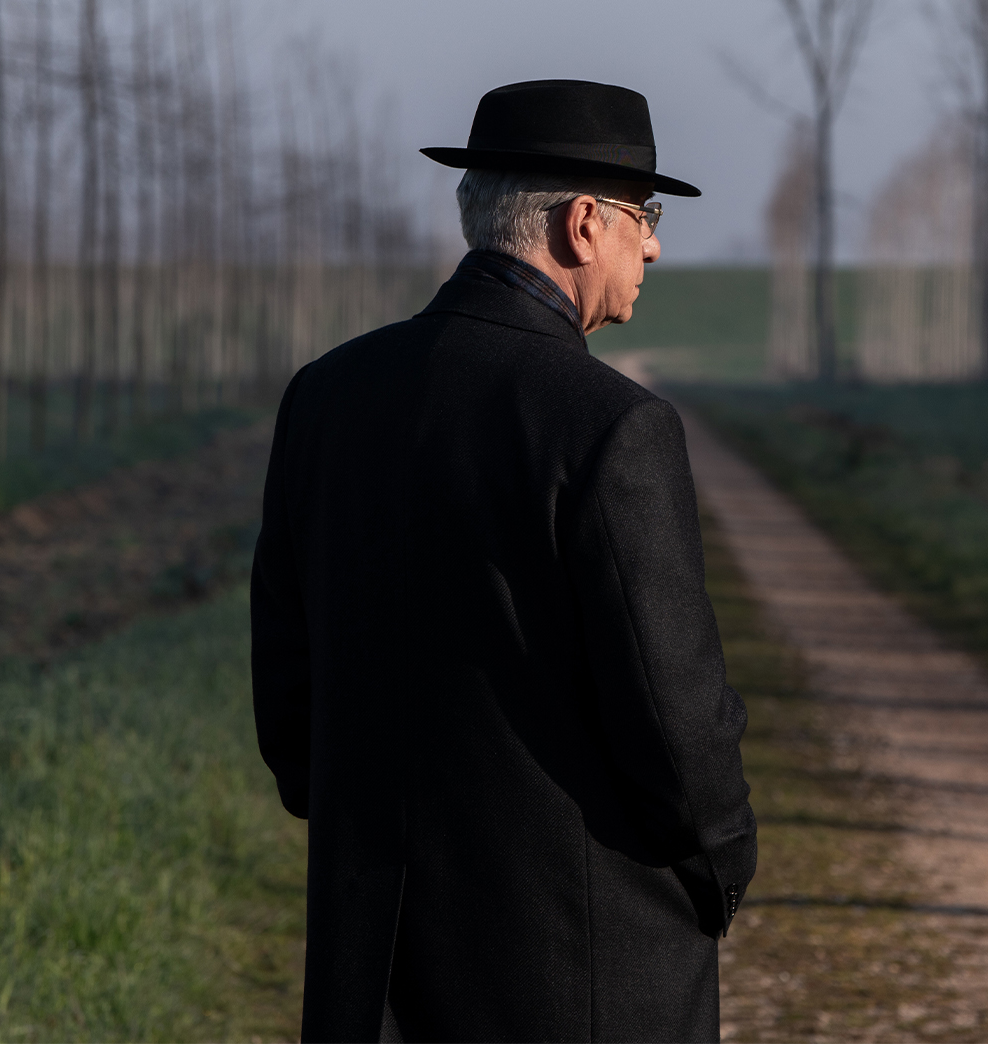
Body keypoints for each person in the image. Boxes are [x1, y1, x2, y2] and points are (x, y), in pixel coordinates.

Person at [251, 79, 757, 1043]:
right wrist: (722, 867)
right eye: (643, 216)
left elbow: (288, 686)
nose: (651, 245)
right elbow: (675, 713)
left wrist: (367, 832)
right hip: (579, 969)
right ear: (580, 224)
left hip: (373, 965)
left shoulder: (324, 398)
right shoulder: (612, 428)